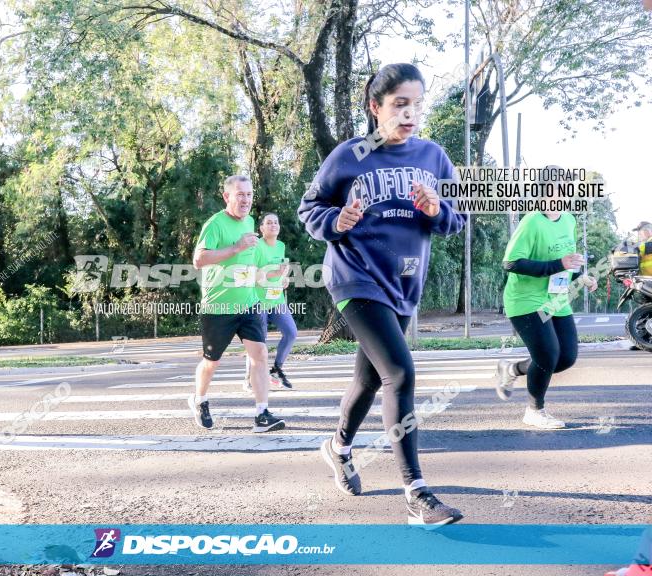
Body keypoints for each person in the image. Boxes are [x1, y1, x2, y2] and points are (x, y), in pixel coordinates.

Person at [298, 63, 466, 525]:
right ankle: (417, 491)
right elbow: (309, 208)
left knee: (370, 380)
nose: (409, 114)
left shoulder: (433, 156)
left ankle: (338, 447)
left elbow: (457, 219)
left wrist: (436, 210)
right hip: (355, 278)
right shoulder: (351, 155)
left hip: (402, 286)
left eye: (416, 104)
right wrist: (336, 221)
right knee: (399, 373)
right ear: (376, 108)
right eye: (399, 105)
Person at [495, 168, 598, 429]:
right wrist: (556, 264)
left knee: (565, 357)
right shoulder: (531, 221)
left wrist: (582, 276)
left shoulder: (569, 220)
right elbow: (510, 263)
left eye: (567, 188)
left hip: (556, 297)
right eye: (557, 188)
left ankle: (512, 370)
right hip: (525, 299)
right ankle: (534, 410)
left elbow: (568, 260)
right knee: (548, 354)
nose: (564, 193)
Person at [190, 175, 286, 433]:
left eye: (249, 194)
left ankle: (261, 414)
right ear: (227, 197)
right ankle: (199, 400)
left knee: (260, 355)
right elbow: (198, 260)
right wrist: (235, 247)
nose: (246, 199)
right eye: (240, 194)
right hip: (218, 307)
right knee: (212, 362)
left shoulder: (251, 222)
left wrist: (272, 280)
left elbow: (251, 265)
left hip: (249, 303)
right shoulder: (215, 224)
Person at [243, 213, 297, 391]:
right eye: (269, 223)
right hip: (258, 302)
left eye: (276, 222)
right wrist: (274, 274)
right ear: (262, 228)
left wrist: (283, 279)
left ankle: (277, 369)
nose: (273, 225)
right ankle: (249, 378)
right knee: (258, 342)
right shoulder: (257, 247)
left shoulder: (281, 246)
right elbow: (251, 275)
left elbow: (279, 273)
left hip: (277, 301)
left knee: (291, 332)